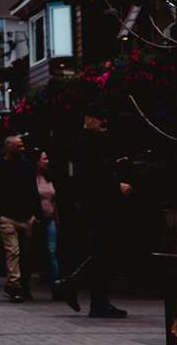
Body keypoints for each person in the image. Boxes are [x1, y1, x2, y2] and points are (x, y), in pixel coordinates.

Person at [54, 103, 132, 318]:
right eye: (99, 117)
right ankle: (94, 300)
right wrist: (116, 185)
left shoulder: (90, 142)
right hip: (93, 205)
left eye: (105, 117)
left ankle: (73, 285)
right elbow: (91, 176)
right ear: (88, 119)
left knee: (102, 253)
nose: (105, 121)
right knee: (101, 254)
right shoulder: (84, 142)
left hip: (95, 204)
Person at [0, 135, 42, 303]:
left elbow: (33, 189)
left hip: (26, 216)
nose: (23, 149)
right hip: (7, 217)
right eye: (19, 146)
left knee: (24, 254)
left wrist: (37, 212)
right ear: (9, 148)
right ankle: (15, 287)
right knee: (13, 252)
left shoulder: (27, 166)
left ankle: (21, 285)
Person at [32, 149, 61, 296]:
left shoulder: (49, 178)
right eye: (44, 159)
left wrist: (57, 221)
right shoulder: (30, 179)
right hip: (34, 220)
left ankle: (56, 288)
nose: (47, 161)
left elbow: (53, 202)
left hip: (49, 219)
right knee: (28, 254)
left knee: (52, 252)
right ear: (37, 161)